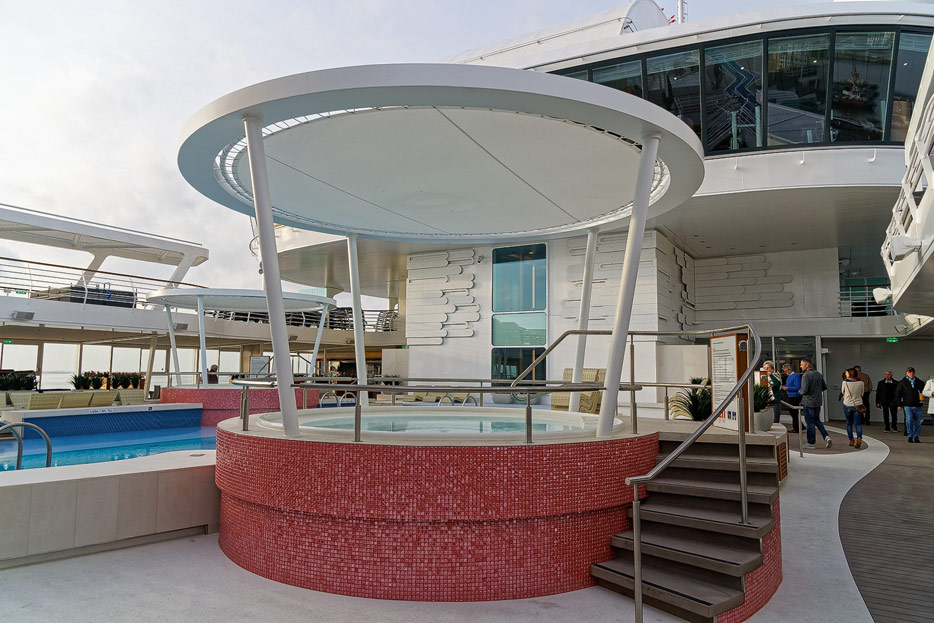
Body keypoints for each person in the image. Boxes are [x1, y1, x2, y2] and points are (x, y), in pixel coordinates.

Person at [799, 358, 832, 449]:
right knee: (817, 420)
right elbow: (824, 387)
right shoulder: (818, 374)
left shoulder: (806, 375)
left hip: (808, 402)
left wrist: (799, 391)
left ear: (807, 365)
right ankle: (826, 436)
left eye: (802, 364)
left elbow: (804, 390)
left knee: (810, 423)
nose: (800, 366)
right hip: (817, 401)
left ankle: (811, 443)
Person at [895, 367, 924, 443]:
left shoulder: (919, 382)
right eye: (909, 372)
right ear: (906, 373)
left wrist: (922, 397)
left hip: (918, 405)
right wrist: (899, 404)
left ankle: (916, 437)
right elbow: (897, 394)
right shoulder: (902, 383)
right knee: (909, 420)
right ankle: (910, 436)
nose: (911, 373)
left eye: (912, 372)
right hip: (907, 405)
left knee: (918, 422)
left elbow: (923, 392)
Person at [841, 368, 864, 448]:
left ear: (850, 374)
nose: (845, 374)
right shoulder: (861, 383)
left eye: (846, 373)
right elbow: (862, 394)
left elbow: (842, 392)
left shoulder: (845, 382)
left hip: (847, 404)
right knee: (858, 424)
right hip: (858, 405)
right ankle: (859, 438)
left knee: (849, 423)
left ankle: (851, 440)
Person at [781, 363, 801, 433]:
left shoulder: (795, 376)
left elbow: (798, 387)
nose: (785, 372)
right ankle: (799, 426)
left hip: (794, 396)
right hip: (791, 396)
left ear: (790, 370)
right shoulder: (789, 376)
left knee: (794, 413)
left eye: (786, 371)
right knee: (793, 413)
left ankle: (797, 428)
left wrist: (787, 388)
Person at [762, 361, 783, 426]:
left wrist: (770, 374)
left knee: (775, 420)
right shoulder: (763, 376)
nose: (766, 369)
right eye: (764, 368)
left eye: (768, 368)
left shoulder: (776, 375)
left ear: (772, 369)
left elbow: (777, 384)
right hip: (766, 400)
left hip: (774, 400)